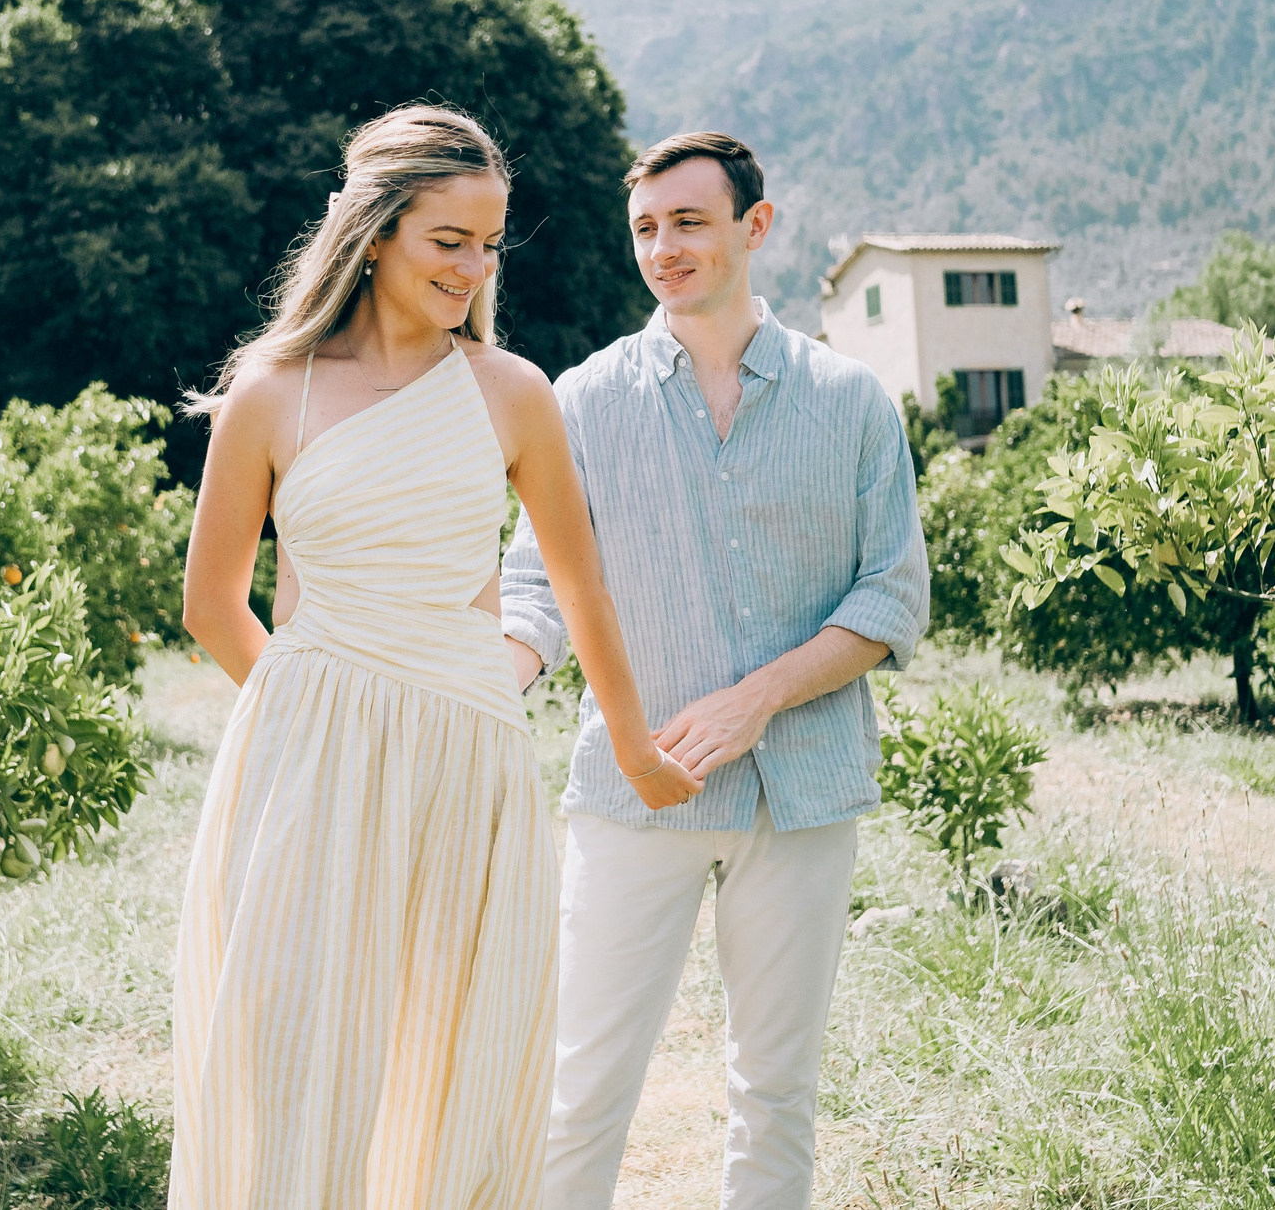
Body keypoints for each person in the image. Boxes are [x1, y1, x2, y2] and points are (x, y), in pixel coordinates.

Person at [169, 104, 699, 1210]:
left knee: (455, 1051)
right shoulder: (272, 392)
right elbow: (213, 604)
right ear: (374, 234)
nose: (473, 267)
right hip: (306, 757)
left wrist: (637, 747)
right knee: (292, 1046)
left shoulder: (512, 393)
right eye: (446, 241)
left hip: (471, 751)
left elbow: (579, 583)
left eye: (490, 243)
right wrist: (310, 710)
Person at [499, 131, 929, 1209]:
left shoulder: (852, 402)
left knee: (775, 1088)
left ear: (755, 225)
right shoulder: (583, 402)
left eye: (688, 222)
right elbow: (537, 587)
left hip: (806, 792)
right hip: (631, 789)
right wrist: (485, 681)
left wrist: (757, 699)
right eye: (645, 229)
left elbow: (889, 597)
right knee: (581, 1083)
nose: (663, 248)